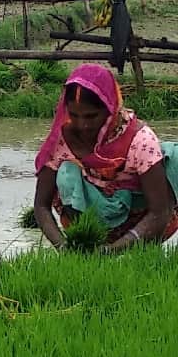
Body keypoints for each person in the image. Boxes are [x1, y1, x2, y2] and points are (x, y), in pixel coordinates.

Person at [33, 63, 178, 252]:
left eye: (91, 116)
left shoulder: (140, 139)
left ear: (110, 109)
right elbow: (41, 205)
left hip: (139, 222)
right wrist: (64, 248)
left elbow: (159, 212)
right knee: (66, 173)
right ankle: (87, 242)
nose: (82, 125)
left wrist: (113, 250)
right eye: (74, 115)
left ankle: (128, 250)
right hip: (90, 220)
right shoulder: (61, 141)